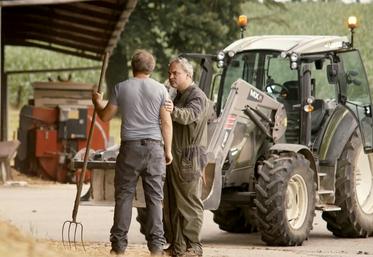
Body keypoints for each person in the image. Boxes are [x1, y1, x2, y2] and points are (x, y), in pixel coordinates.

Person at [92, 49, 173, 256]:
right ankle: (156, 247)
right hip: (155, 148)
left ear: (133, 66)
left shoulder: (121, 88)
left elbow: (105, 116)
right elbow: (166, 123)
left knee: (125, 196)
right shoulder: (161, 90)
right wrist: (168, 150)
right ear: (152, 68)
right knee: (155, 198)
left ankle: (118, 248)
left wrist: (96, 102)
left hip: (129, 149)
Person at [163, 57, 211, 257]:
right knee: (173, 204)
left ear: (188, 75)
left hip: (190, 157)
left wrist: (172, 110)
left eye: (176, 73)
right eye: (170, 73)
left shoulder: (197, 96)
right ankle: (177, 247)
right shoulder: (178, 95)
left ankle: (194, 248)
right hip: (176, 155)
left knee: (189, 204)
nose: (171, 77)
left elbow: (189, 116)